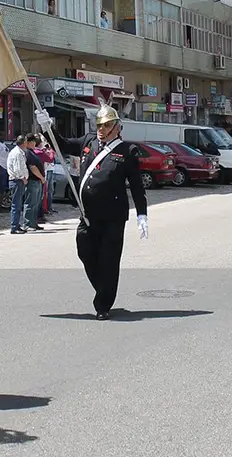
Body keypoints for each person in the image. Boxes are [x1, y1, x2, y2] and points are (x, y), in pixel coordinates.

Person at [35, 104, 148, 320]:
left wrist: (142, 214)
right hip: (88, 215)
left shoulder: (127, 151)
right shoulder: (89, 142)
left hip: (113, 217)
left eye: (106, 125)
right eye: (99, 125)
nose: (101, 129)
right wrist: (47, 128)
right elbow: (64, 145)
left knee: (109, 260)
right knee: (85, 252)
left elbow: (136, 186)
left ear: (116, 127)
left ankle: (103, 304)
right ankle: (103, 289)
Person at [22, 134, 46, 231]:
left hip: (37, 181)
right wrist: (41, 177)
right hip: (33, 180)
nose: (34, 143)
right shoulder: (28, 152)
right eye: (33, 141)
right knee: (31, 203)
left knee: (36, 203)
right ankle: (27, 223)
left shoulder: (32, 152)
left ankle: (33, 222)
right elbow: (32, 167)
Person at [6, 135, 29, 234]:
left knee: (19, 204)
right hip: (17, 180)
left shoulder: (19, 152)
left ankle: (17, 225)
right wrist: (23, 178)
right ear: (23, 143)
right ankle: (14, 227)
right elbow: (18, 168)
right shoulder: (17, 153)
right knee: (16, 204)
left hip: (18, 180)